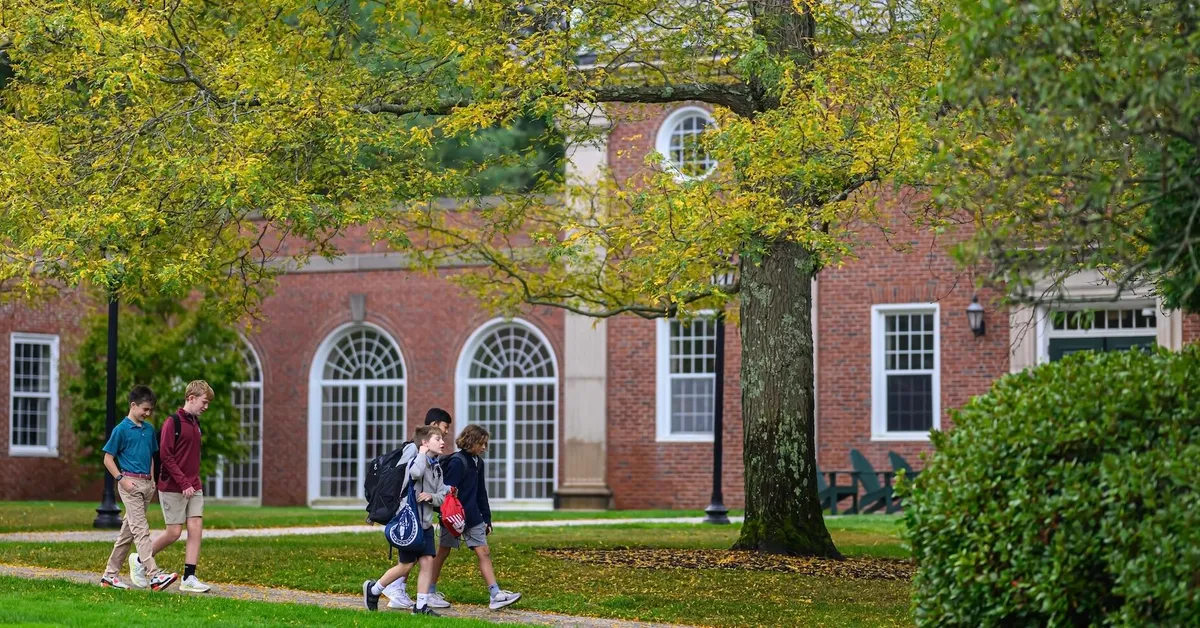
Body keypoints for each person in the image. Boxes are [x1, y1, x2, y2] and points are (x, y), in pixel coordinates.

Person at [129, 380, 212, 593]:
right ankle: (139, 560)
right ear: (191, 398)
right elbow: (166, 456)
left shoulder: (196, 424)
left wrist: (192, 482)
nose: (206, 406)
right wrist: (183, 482)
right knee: (174, 532)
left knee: (196, 528)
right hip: (173, 486)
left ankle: (189, 577)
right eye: (204, 402)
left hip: (193, 486)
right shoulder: (172, 423)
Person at [428, 424, 521, 610]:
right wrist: (448, 515)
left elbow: (481, 492)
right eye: (482, 443)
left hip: (473, 517)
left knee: (484, 552)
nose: (485, 447)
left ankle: (495, 594)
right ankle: (429, 592)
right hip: (454, 518)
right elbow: (446, 492)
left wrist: (487, 518)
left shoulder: (478, 462)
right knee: (442, 552)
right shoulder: (457, 462)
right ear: (471, 442)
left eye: (486, 443)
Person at [98, 385, 180, 590]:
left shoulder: (149, 430)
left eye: (150, 410)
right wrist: (121, 479)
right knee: (141, 530)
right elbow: (108, 458)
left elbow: (153, 456)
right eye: (144, 409)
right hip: (129, 484)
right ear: (133, 405)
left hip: (146, 485)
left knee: (128, 533)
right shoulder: (121, 430)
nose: (148, 413)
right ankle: (153, 575)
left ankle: (109, 575)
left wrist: (152, 480)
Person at [364, 425, 450, 615]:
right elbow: (415, 473)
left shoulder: (437, 466)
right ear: (425, 442)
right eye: (438, 439)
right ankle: (374, 589)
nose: (443, 442)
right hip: (410, 524)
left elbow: (442, 494)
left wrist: (431, 497)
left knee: (427, 561)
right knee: (406, 565)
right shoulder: (416, 461)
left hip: (425, 523)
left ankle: (420, 606)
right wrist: (421, 453)